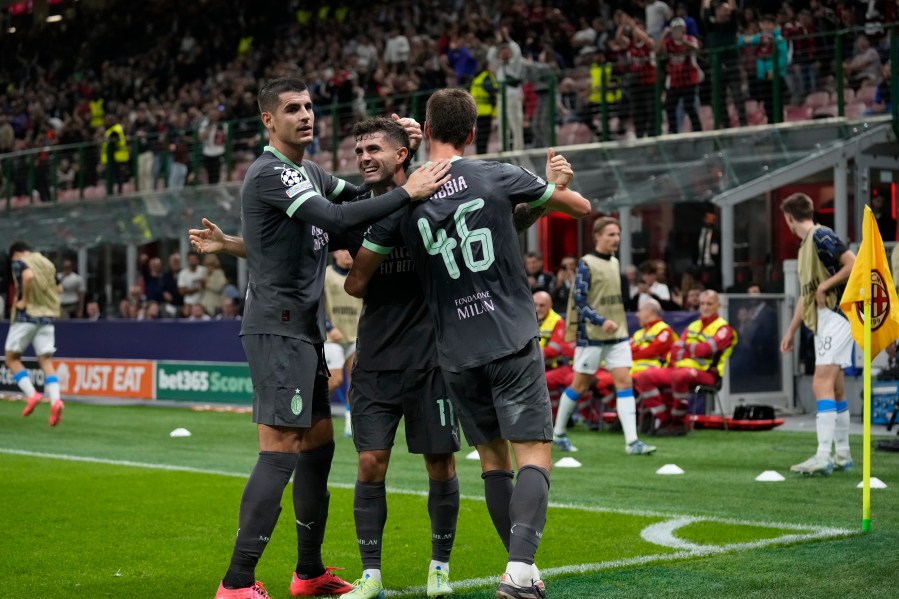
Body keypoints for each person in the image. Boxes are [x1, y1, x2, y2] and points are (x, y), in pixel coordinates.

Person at [188, 77, 451, 599]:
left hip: (304, 332)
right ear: (269, 120)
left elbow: (361, 198)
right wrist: (408, 188)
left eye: (309, 106)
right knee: (280, 452)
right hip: (276, 329)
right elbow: (335, 217)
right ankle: (236, 583)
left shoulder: (307, 172)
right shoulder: (270, 174)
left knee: (318, 450)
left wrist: (404, 159)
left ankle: (308, 573)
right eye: (292, 108)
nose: (305, 115)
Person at [344, 88, 591, 598]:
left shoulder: (402, 201)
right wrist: (553, 185)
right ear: (473, 134)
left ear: (424, 133)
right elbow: (580, 207)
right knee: (533, 457)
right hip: (509, 337)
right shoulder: (493, 173)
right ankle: (519, 570)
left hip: (454, 353)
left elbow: (357, 275)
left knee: (493, 462)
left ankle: (523, 573)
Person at [553, 217, 656, 455]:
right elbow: (579, 300)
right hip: (591, 335)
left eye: (617, 234)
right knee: (579, 385)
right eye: (610, 234)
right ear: (597, 236)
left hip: (617, 334)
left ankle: (632, 442)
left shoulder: (615, 262)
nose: (615, 239)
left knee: (624, 381)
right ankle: (558, 433)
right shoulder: (586, 263)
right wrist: (601, 320)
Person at [780, 193, 856, 476]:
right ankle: (843, 455)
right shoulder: (805, 247)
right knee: (834, 388)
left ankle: (823, 455)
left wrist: (825, 288)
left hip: (837, 314)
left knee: (820, 382)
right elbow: (806, 294)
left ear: (788, 217)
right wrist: (791, 330)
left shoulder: (821, 235)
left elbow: (854, 263)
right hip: (824, 319)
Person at [634, 291, 735, 435]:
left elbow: (705, 350)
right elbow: (676, 349)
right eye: (702, 304)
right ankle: (664, 420)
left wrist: (687, 348)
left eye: (709, 304)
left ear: (718, 305)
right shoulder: (693, 326)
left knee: (679, 376)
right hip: (680, 369)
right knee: (643, 377)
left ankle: (678, 422)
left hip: (707, 374)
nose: (705, 307)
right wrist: (693, 349)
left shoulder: (724, 329)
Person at [5, 240, 64, 427]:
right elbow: (59, 288)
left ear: (17, 253)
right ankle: (56, 401)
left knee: (12, 358)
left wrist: (23, 299)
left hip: (26, 317)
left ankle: (32, 395)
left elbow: (28, 277)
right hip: (47, 318)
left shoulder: (22, 262)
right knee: (46, 361)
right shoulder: (47, 263)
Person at [323, 249, 362, 439]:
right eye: (343, 250)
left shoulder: (360, 274)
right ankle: (309, 407)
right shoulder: (326, 275)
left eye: (350, 250)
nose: (348, 254)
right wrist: (329, 327)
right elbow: (315, 303)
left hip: (354, 336)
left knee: (356, 383)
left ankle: (350, 424)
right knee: (336, 380)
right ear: (334, 253)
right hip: (332, 339)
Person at [656, 18, 702, 134]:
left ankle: (697, 129)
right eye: (675, 29)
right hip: (675, 80)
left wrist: (682, 41)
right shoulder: (669, 44)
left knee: (689, 106)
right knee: (669, 107)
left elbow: (695, 48)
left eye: (680, 29)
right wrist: (663, 35)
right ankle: (673, 131)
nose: (677, 31)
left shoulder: (690, 39)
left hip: (689, 79)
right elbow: (657, 51)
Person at [178, 251, 208, 317]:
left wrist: (202, 284)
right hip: (189, 303)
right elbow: (182, 291)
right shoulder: (183, 273)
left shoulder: (203, 270)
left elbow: (207, 285)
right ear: (187, 260)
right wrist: (197, 288)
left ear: (198, 260)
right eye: (191, 259)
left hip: (202, 302)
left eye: (194, 259)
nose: (192, 261)